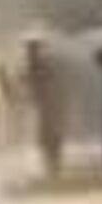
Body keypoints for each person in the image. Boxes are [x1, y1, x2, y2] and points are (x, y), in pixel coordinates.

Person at [23, 39, 65, 179]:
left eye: (30, 51)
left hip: (49, 105)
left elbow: (41, 84)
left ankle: (53, 165)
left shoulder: (39, 64)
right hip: (46, 105)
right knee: (46, 136)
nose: (27, 54)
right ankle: (52, 165)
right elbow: (34, 85)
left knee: (49, 135)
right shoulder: (36, 64)